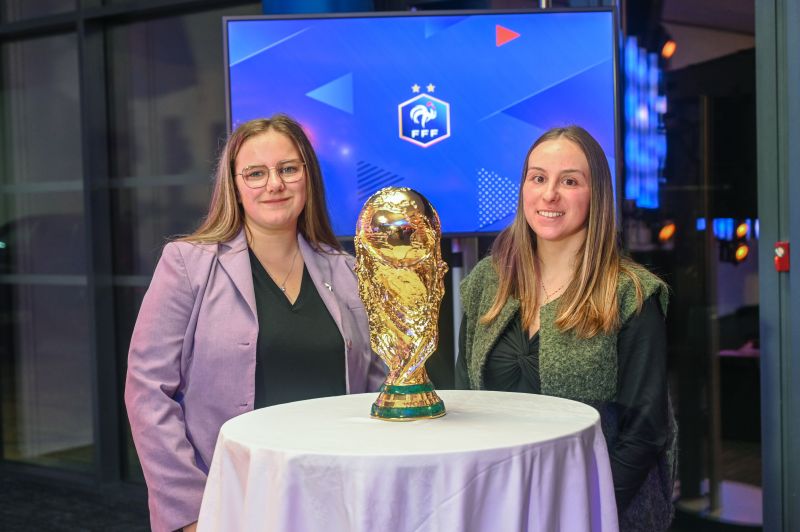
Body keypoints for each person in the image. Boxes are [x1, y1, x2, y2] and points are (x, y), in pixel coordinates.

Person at [125, 115, 385, 532]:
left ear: (308, 177)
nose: (274, 184)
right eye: (256, 173)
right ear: (234, 185)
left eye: (288, 169)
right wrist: (191, 512)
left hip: (338, 498)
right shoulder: (188, 264)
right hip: (231, 502)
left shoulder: (350, 272)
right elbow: (147, 393)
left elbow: (377, 386)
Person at [455, 126, 676, 531]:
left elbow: (645, 433)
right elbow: (464, 398)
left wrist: (584, 510)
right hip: (497, 507)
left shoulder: (631, 294)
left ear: (597, 195)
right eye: (538, 178)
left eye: (570, 181)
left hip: (598, 511)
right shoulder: (488, 282)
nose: (549, 194)